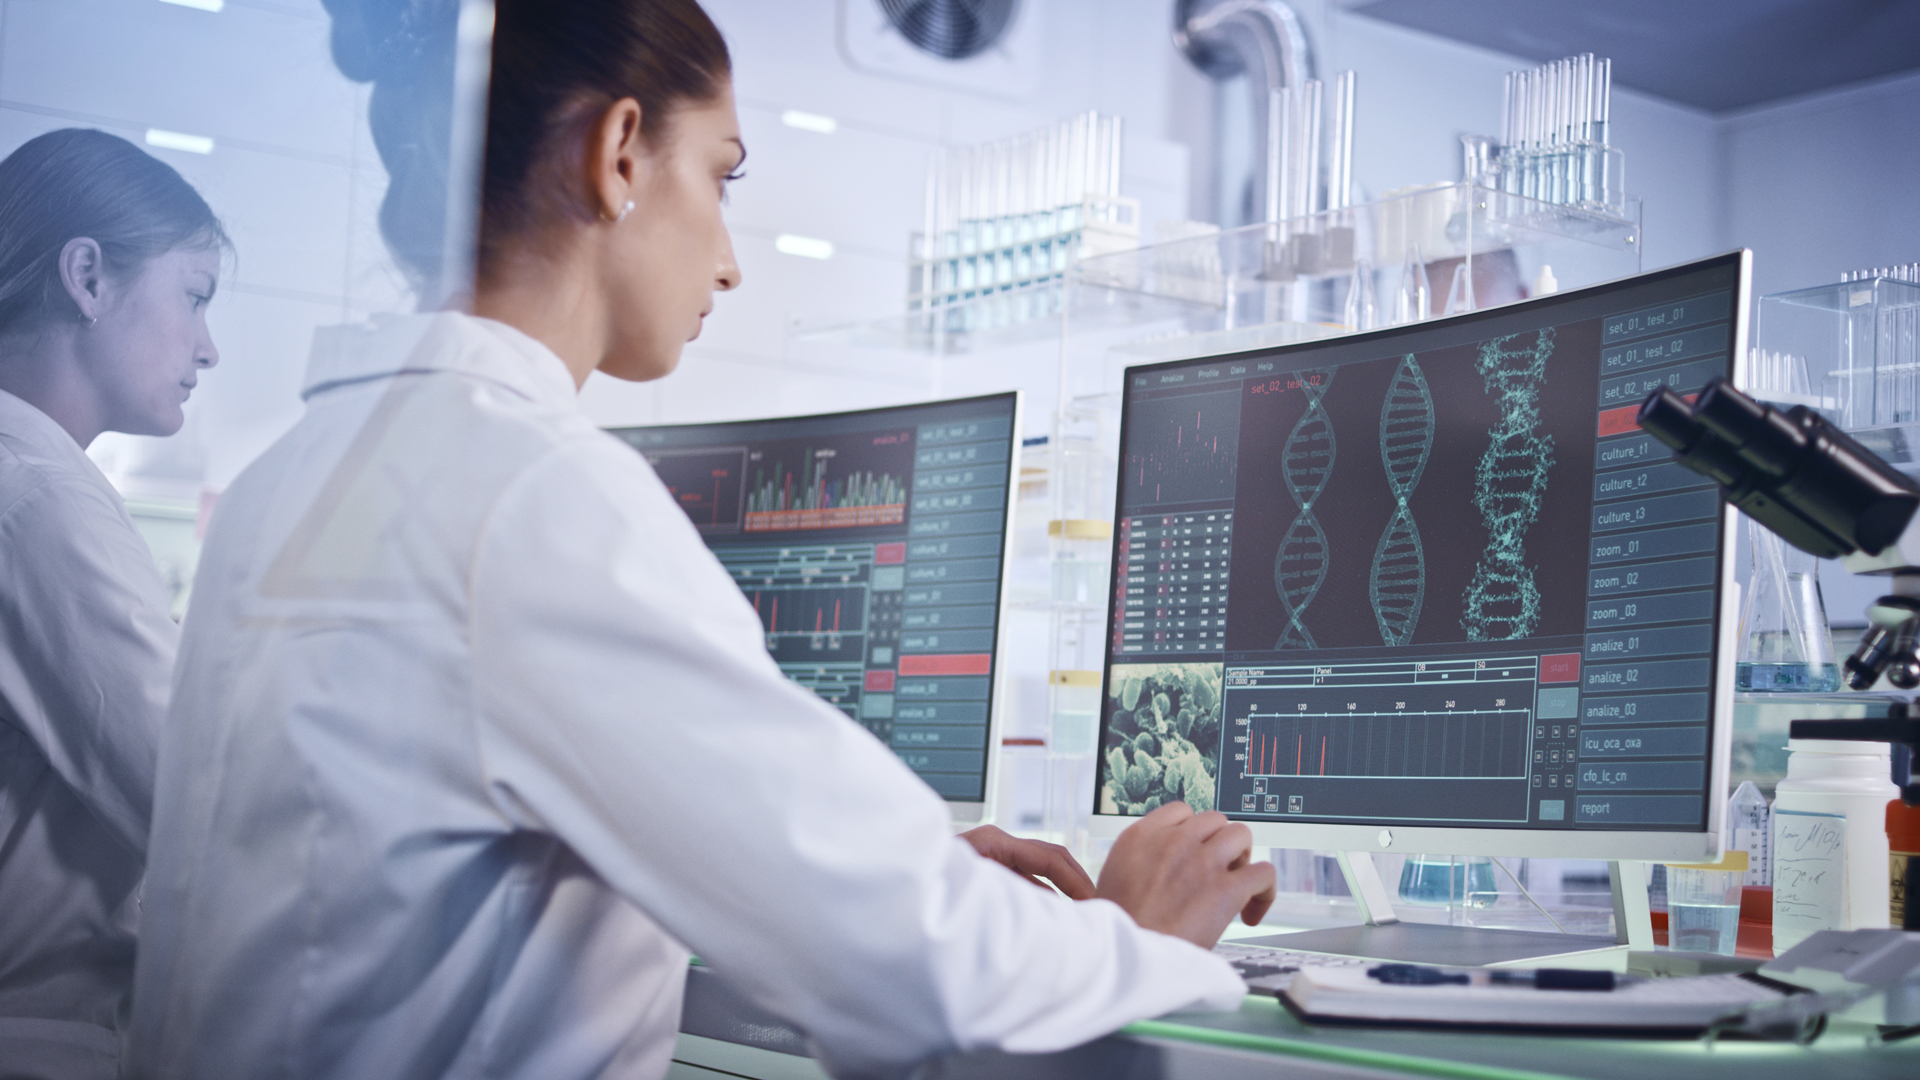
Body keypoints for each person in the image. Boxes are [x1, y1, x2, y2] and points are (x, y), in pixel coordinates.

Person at [129, 2, 1275, 1077]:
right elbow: (915, 973)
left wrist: (863, 876)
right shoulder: (535, 495)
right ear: (619, 153)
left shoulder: (299, 473)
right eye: (722, 178)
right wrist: (1139, 936)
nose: (730, 257)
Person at [0, 128, 223, 1079]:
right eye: (195, 297)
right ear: (87, 278)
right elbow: (199, 799)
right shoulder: (38, 496)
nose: (207, 348)